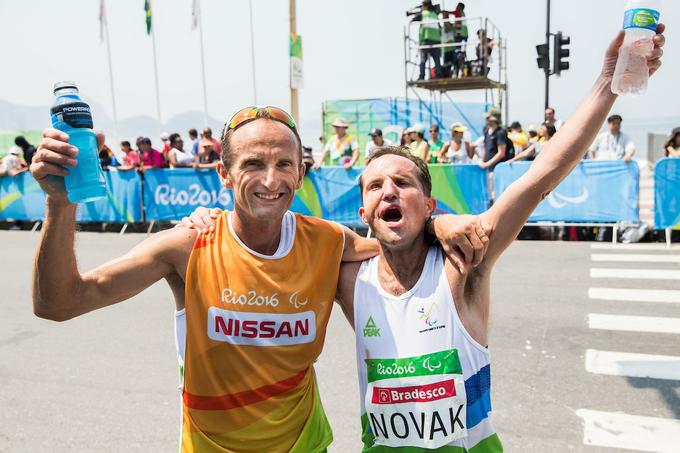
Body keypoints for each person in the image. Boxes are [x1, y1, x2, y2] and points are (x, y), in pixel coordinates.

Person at [30, 104, 488, 452]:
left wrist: (440, 223)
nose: (271, 180)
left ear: (301, 172)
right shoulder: (189, 245)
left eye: (284, 164)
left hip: (304, 444)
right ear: (224, 174)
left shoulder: (328, 242)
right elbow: (60, 303)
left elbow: (399, 238)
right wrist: (59, 203)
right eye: (252, 164)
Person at [334, 25, 665, 451]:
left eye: (403, 182)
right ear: (364, 214)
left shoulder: (462, 262)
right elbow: (278, 241)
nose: (390, 191)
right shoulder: (348, 281)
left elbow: (537, 180)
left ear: (430, 205)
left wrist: (608, 80)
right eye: (376, 186)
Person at [414, 1, 442, 80]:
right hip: (436, 40)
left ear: (425, 6)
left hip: (426, 40)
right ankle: (439, 75)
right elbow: (439, 28)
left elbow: (413, 20)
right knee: (437, 60)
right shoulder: (435, 15)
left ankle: (422, 76)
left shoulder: (424, 14)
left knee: (423, 59)